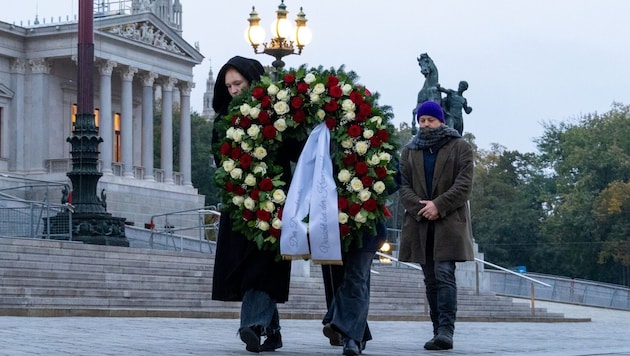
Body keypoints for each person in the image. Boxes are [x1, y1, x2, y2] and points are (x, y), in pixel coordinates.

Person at [211, 56, 293, 353]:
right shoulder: (222, 120)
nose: (233, 90)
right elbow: (219, 159)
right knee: (247, 266)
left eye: (238, 83)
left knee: (260, 266)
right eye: (229, 85)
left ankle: (251, 326)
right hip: (238, 204)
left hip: (273, 203)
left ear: (252, 82)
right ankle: (272, 329)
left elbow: (293, 150)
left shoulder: (275, 113)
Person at [398, 100, 474, 351]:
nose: (426, 124)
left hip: (448, 222)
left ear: (441, 120)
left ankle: (445, 331)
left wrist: (438, 205)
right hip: (420, 223)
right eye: (422, 120)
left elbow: (464, 186)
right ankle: (436, 331)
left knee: (444, 274)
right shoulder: (409, 150)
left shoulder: (460, 146)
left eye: (430, 120)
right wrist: (422, 207)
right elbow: (404, 185)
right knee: (430, 279)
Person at [321, 223, 387, 356]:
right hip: (335, 230)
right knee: (341, 281)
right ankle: (359, 333)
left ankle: (350, 338)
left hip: (367, 229)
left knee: (356, 278)